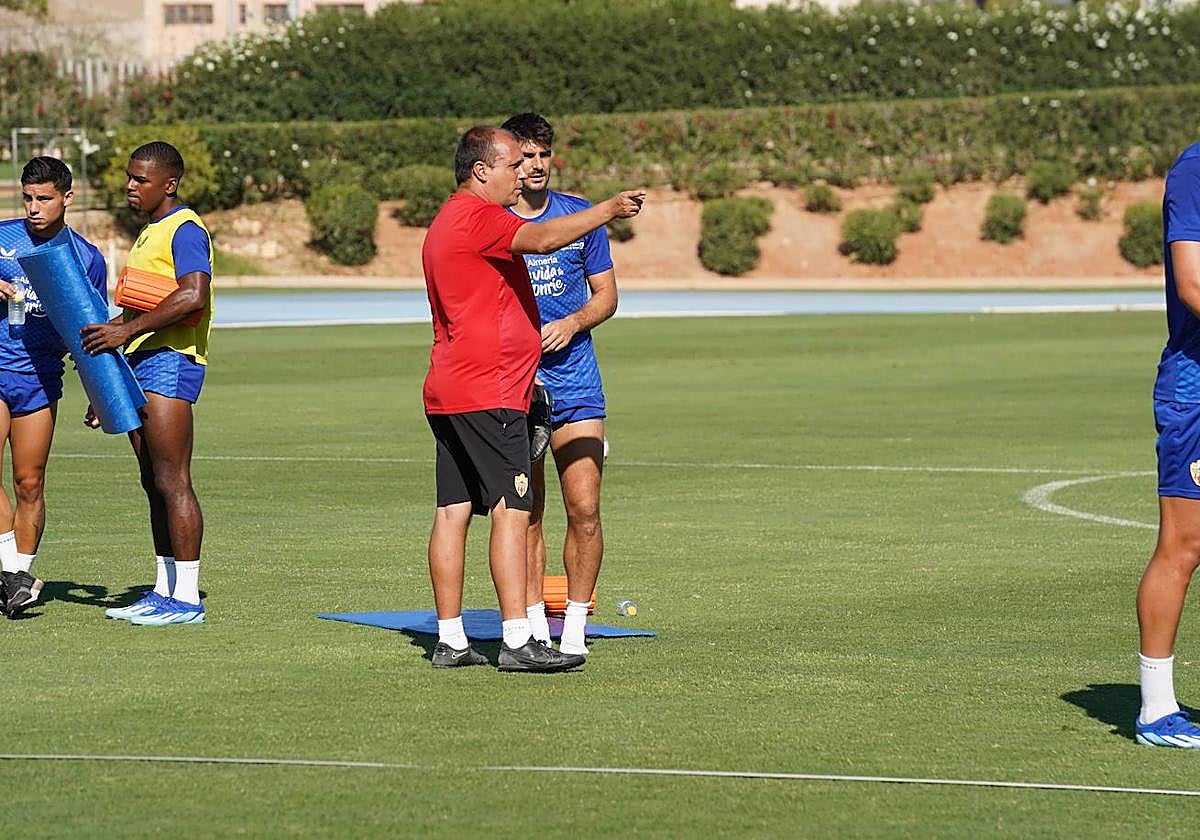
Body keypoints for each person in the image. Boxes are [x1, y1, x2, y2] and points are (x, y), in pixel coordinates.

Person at [421, 125, 643, 671]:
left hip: (450, 388)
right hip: (492, 389)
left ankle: (450, 640)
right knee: (513, 509)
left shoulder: (445, 219)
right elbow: (542, 239)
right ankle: (519, 639)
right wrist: (608, 208)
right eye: (511, 165)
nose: (521, 175)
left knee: (452, 510)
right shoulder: (481, 217)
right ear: (481, 171)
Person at [80, 141, 213, 627]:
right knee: (152, 480)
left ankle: (188, 598)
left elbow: (193, 295)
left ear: (169, 184)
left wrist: (124, 331)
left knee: (173, 479)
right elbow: (140, 311)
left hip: (171, 361)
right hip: (141, 362)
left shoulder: (185, 228)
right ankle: (163, 590)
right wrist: (106, 379)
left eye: (141, 179)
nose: (130, 186)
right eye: (129, 177)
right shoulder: (150, 232)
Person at [501, 113, 617, 657]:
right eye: (526, 156)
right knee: (526, 513)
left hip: (576, 382)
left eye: (543, 154)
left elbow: (606, 296)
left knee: (585, 509)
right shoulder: (493, 222)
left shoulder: (580, 216)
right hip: (516, 386)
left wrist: (572, 323)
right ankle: (533, 626)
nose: (537, 164)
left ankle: (573, 626)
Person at [0, 156, 107, 617]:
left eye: (43, 198)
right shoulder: (2, 238)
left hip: (41, 380)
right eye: (27, 198)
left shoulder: (86, 258)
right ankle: (11, 574)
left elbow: (91, 331)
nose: (33, 207)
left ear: (67, 198)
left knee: (29, 482)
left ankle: (18, 579)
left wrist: (100, 393)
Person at [1136, 140, 1200, 747]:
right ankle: (1156, 710)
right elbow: (1193, 284)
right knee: (1184, 544)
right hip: (1197, 391)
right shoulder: (1196, 170)